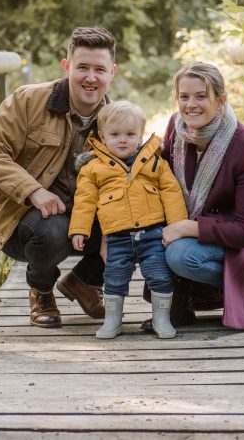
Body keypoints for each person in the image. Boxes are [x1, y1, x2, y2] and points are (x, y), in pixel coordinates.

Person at [0, 28, 116, 328]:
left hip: (83, 219)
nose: (91, 77)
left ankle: (84, 281)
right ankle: (42, 291)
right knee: (52, 230)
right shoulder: (28, 101)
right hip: (25, 219)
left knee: (142, 223)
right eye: (82, 68)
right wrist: (32, 190)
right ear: (66, 67)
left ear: (112, 72)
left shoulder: (114, 119)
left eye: (99, 69)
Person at [158, 62, 244, 330]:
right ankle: (184, 300)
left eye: (201, 96)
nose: (191, 105)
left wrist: (189, 227)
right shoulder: (176, 128)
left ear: (220, 100)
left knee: (181, 255)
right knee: (146, 240)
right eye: (184, 96)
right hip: (206, 234)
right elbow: (157, 175)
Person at [68, 101, 188, 339]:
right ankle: (113, 322)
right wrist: (79, 230)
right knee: (114, 278)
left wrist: (177, 227)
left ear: (141, 135)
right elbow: (84, 200)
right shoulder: (93, 168)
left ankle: (161, 320)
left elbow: (171, 193)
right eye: (115, 135)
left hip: (152, 233)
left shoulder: (154, 162)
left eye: (130, 134)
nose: (123, 140)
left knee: (159, 275)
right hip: (117, 237)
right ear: (102, 136)